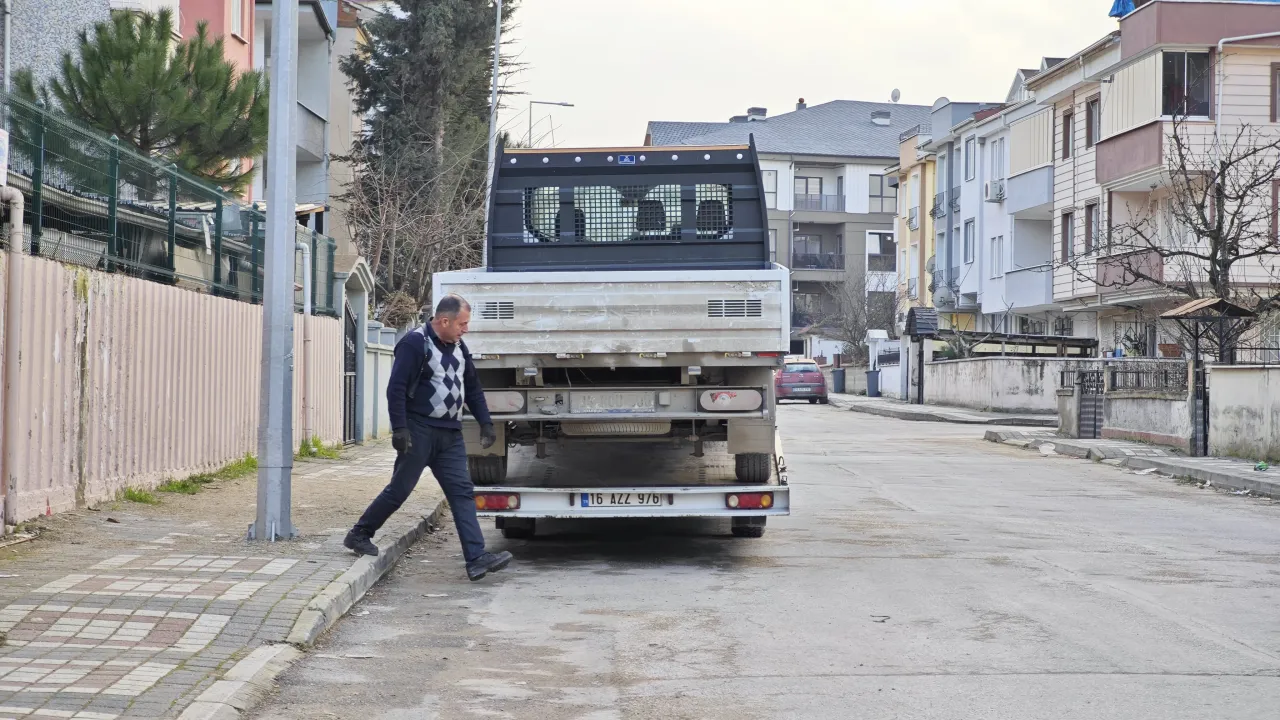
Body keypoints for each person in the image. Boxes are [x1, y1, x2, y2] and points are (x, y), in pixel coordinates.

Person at [344, 295, 513, 582]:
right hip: (419, 430)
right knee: (400, 489)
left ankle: (476, 559)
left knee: (461, 493)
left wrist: (486, 423)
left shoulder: (460, 346)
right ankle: (359, 534)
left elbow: (472, 387)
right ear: (444, 320)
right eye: (462, 323)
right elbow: (395, 388)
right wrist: (400, 429)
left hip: (450, 434)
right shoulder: (414, 343)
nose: (466, 329)